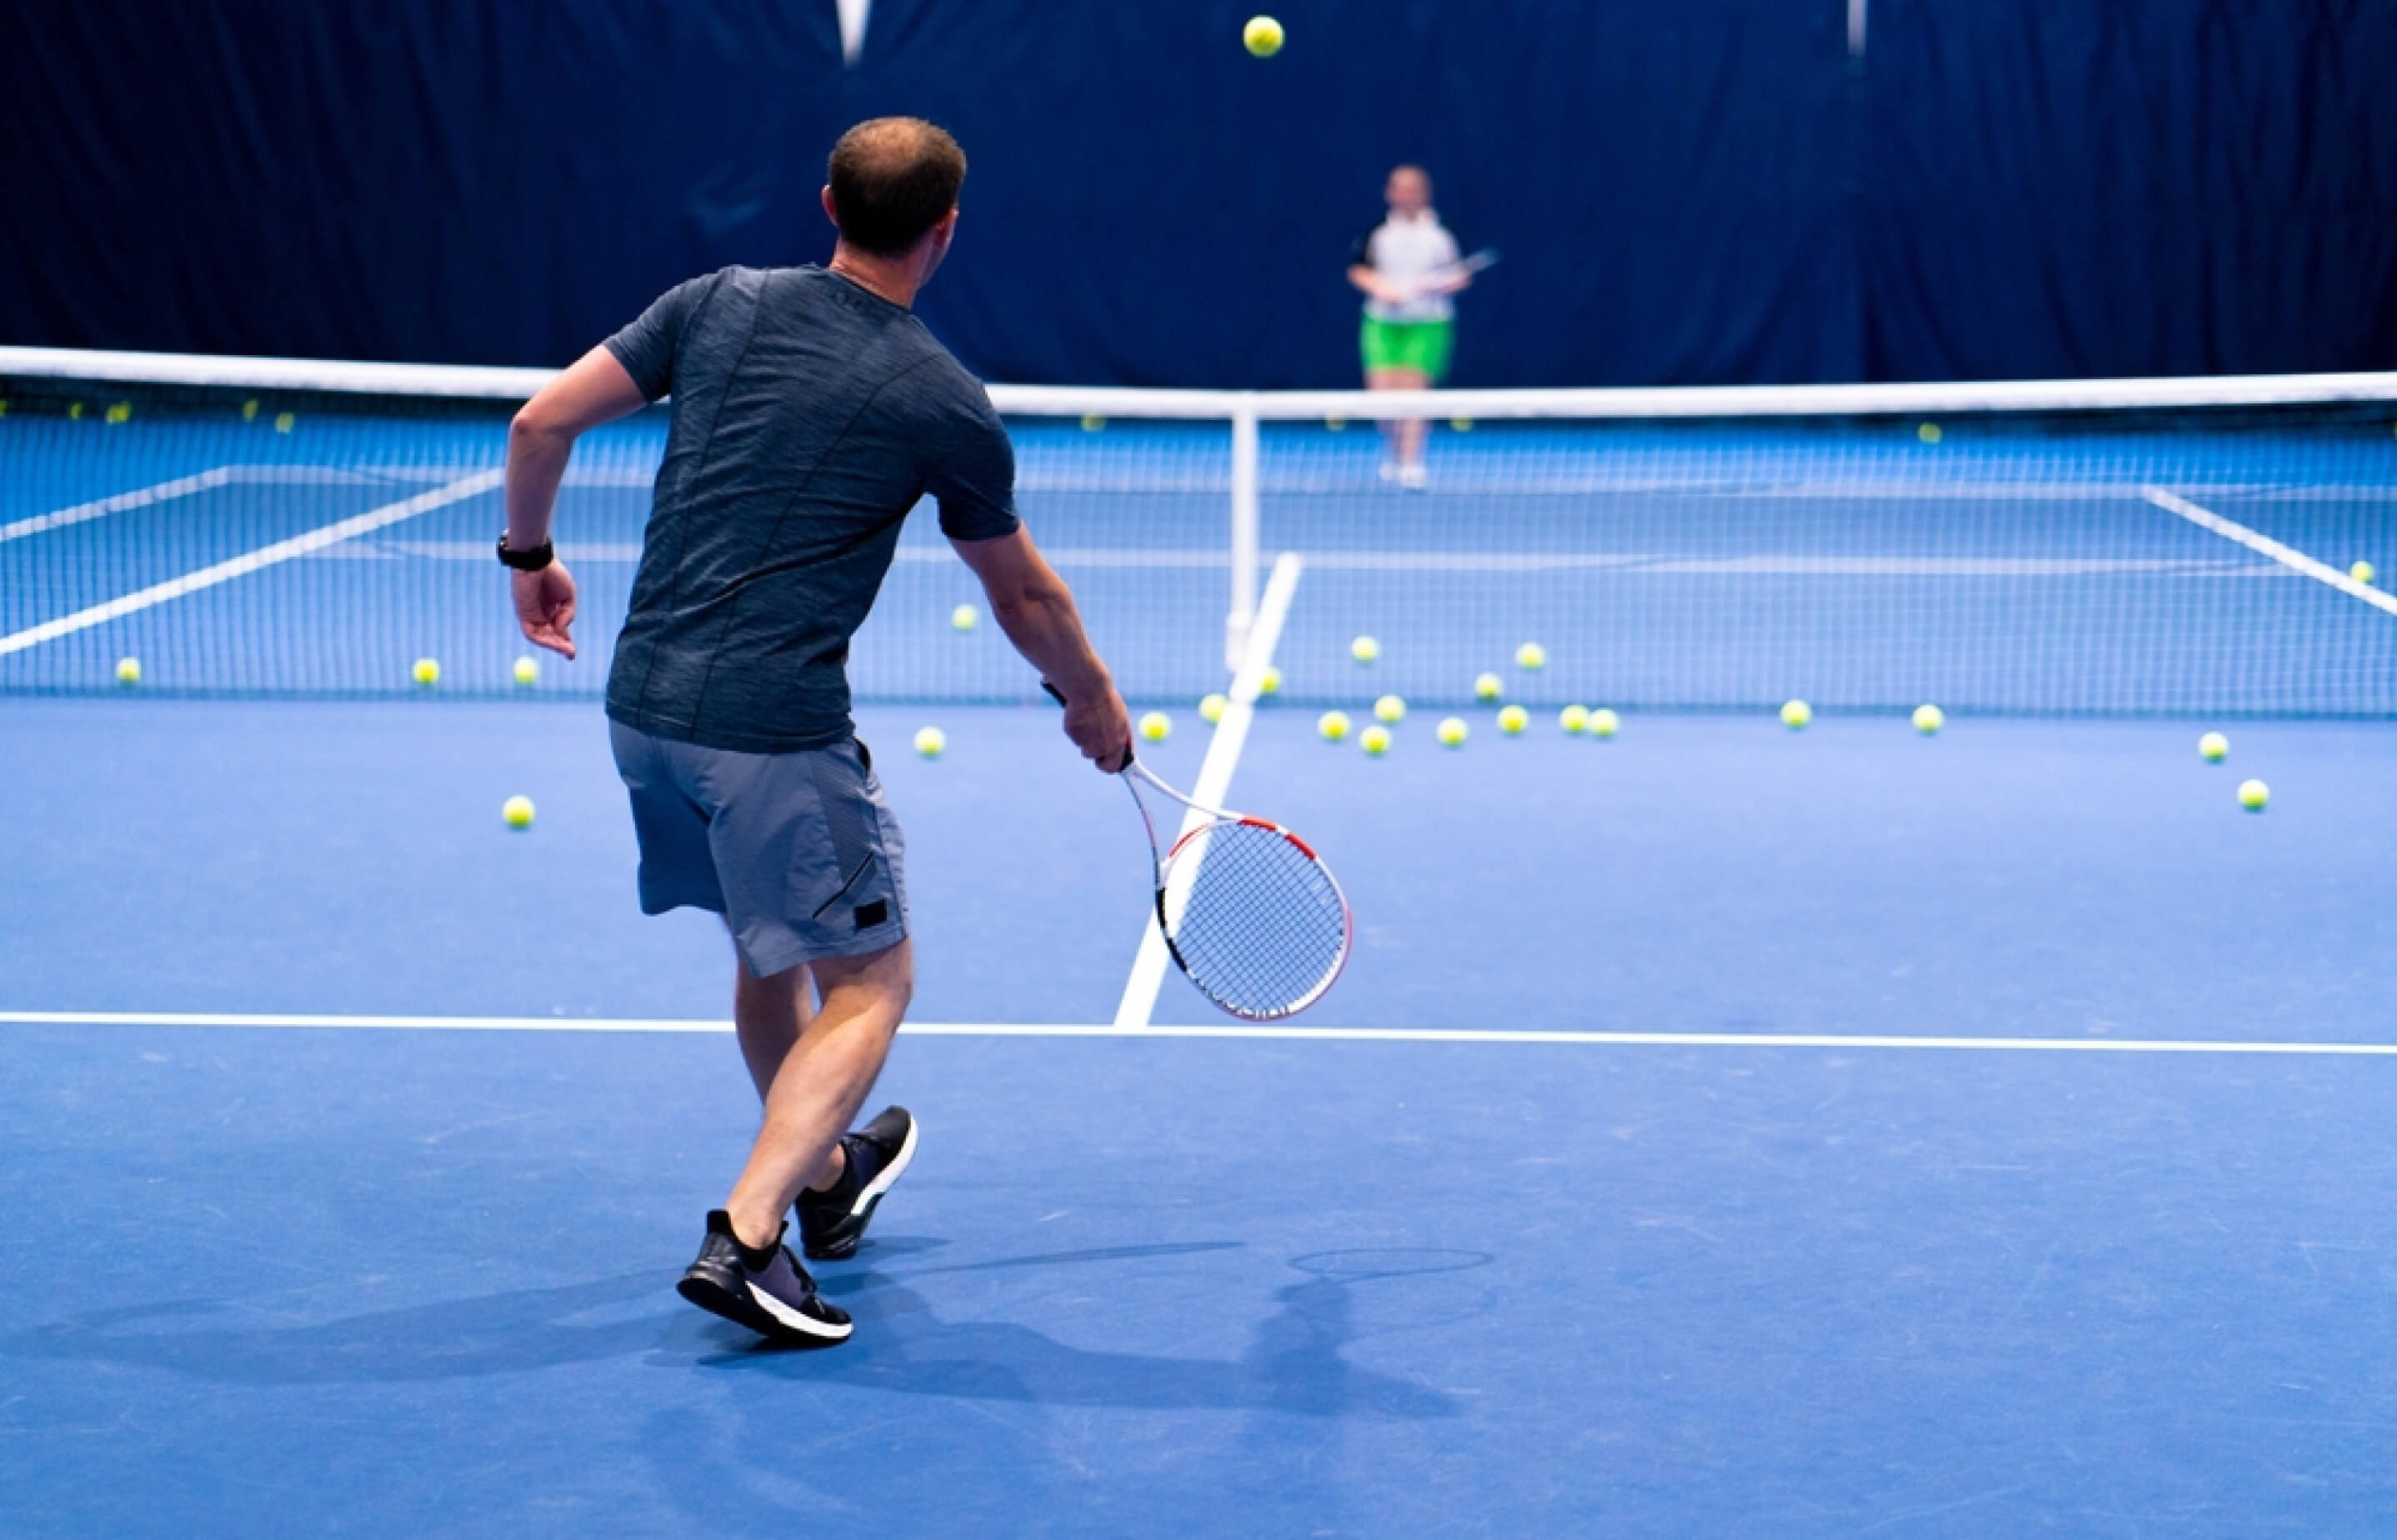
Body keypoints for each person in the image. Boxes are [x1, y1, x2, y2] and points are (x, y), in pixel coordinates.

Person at [496, 118, 1130, 1348]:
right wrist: (1092, 701)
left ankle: (828, 1180)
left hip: (641, 712)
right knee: (871, 982)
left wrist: (529, 557)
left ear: (828, 201)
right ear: (946, 233)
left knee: (766, 951)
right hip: (771, 730)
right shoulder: (943, 398)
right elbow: (1024, 596)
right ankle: (745, 1237)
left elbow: (538, 427)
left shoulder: (715, 299)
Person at [1346, 165, 1471, 488]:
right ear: (1390, 194)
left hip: (1427, 324)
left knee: (1413, 393)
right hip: (1382, 324)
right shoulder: (1378, 233)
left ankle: (1411, 460)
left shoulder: (1440, 235)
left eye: (1413, 189)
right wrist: (1384, 290)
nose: (1406, 195)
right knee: (1382, 398)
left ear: (1424, 193)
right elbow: (1359, 270)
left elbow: (1459, 275)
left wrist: (1441, 285)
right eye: (1399, 188)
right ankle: (1394, 451)